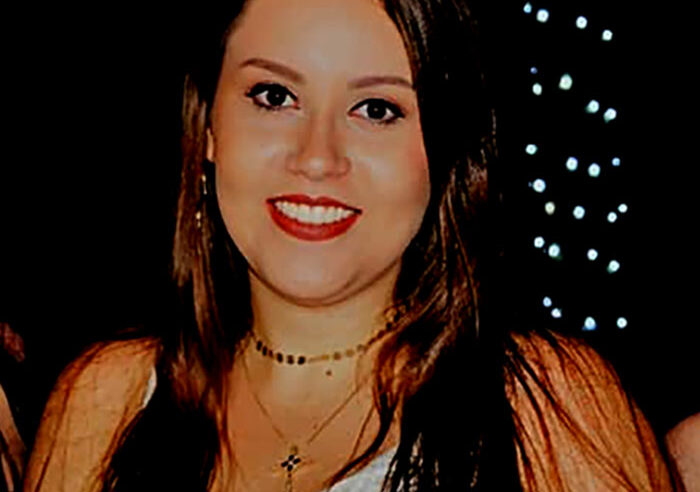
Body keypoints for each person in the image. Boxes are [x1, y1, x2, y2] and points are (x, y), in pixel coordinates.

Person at [23, 0, 674, 490]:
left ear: (443, 152)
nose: (317, 157)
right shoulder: (106, 398)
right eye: (274, 96)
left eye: (377, 109)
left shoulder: (547, 404)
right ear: (210, 126)